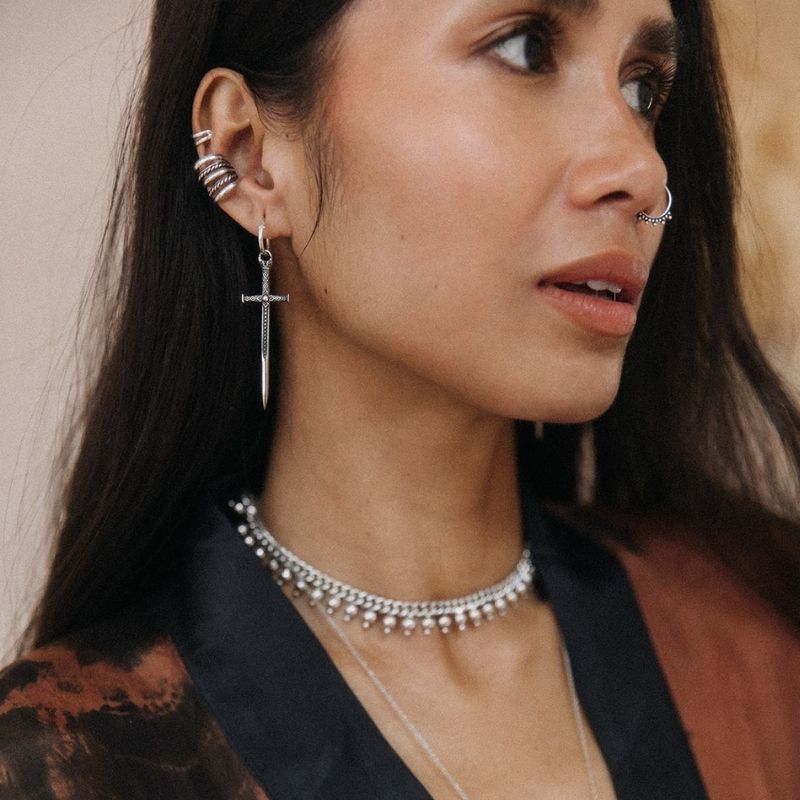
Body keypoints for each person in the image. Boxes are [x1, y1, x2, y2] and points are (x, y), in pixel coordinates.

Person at [0, 0, 798, 797]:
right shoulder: (66, 760)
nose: (644, 173)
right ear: (247, 155)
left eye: (642, 89)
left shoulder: (763, 635)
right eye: (526, 49)